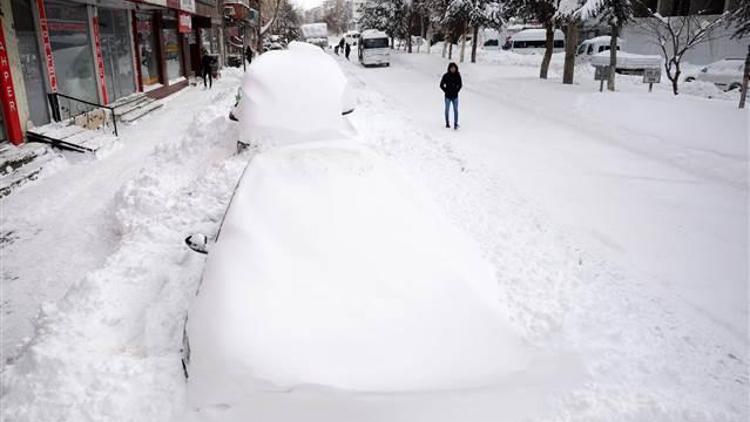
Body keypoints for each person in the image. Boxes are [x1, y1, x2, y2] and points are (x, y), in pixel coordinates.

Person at [440, 62, 462, 130]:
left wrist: (456, 90)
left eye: (454, 68)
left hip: (455, 96)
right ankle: (447, 123)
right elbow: (441, 85)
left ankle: (455, 124)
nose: (453, 69)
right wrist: (446, 90)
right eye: (451, 68)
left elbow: (460, 85)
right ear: (449, 68)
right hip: (447, 96)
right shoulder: (446, 76)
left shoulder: (458, 76)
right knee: (447, 110)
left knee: (455, 110)